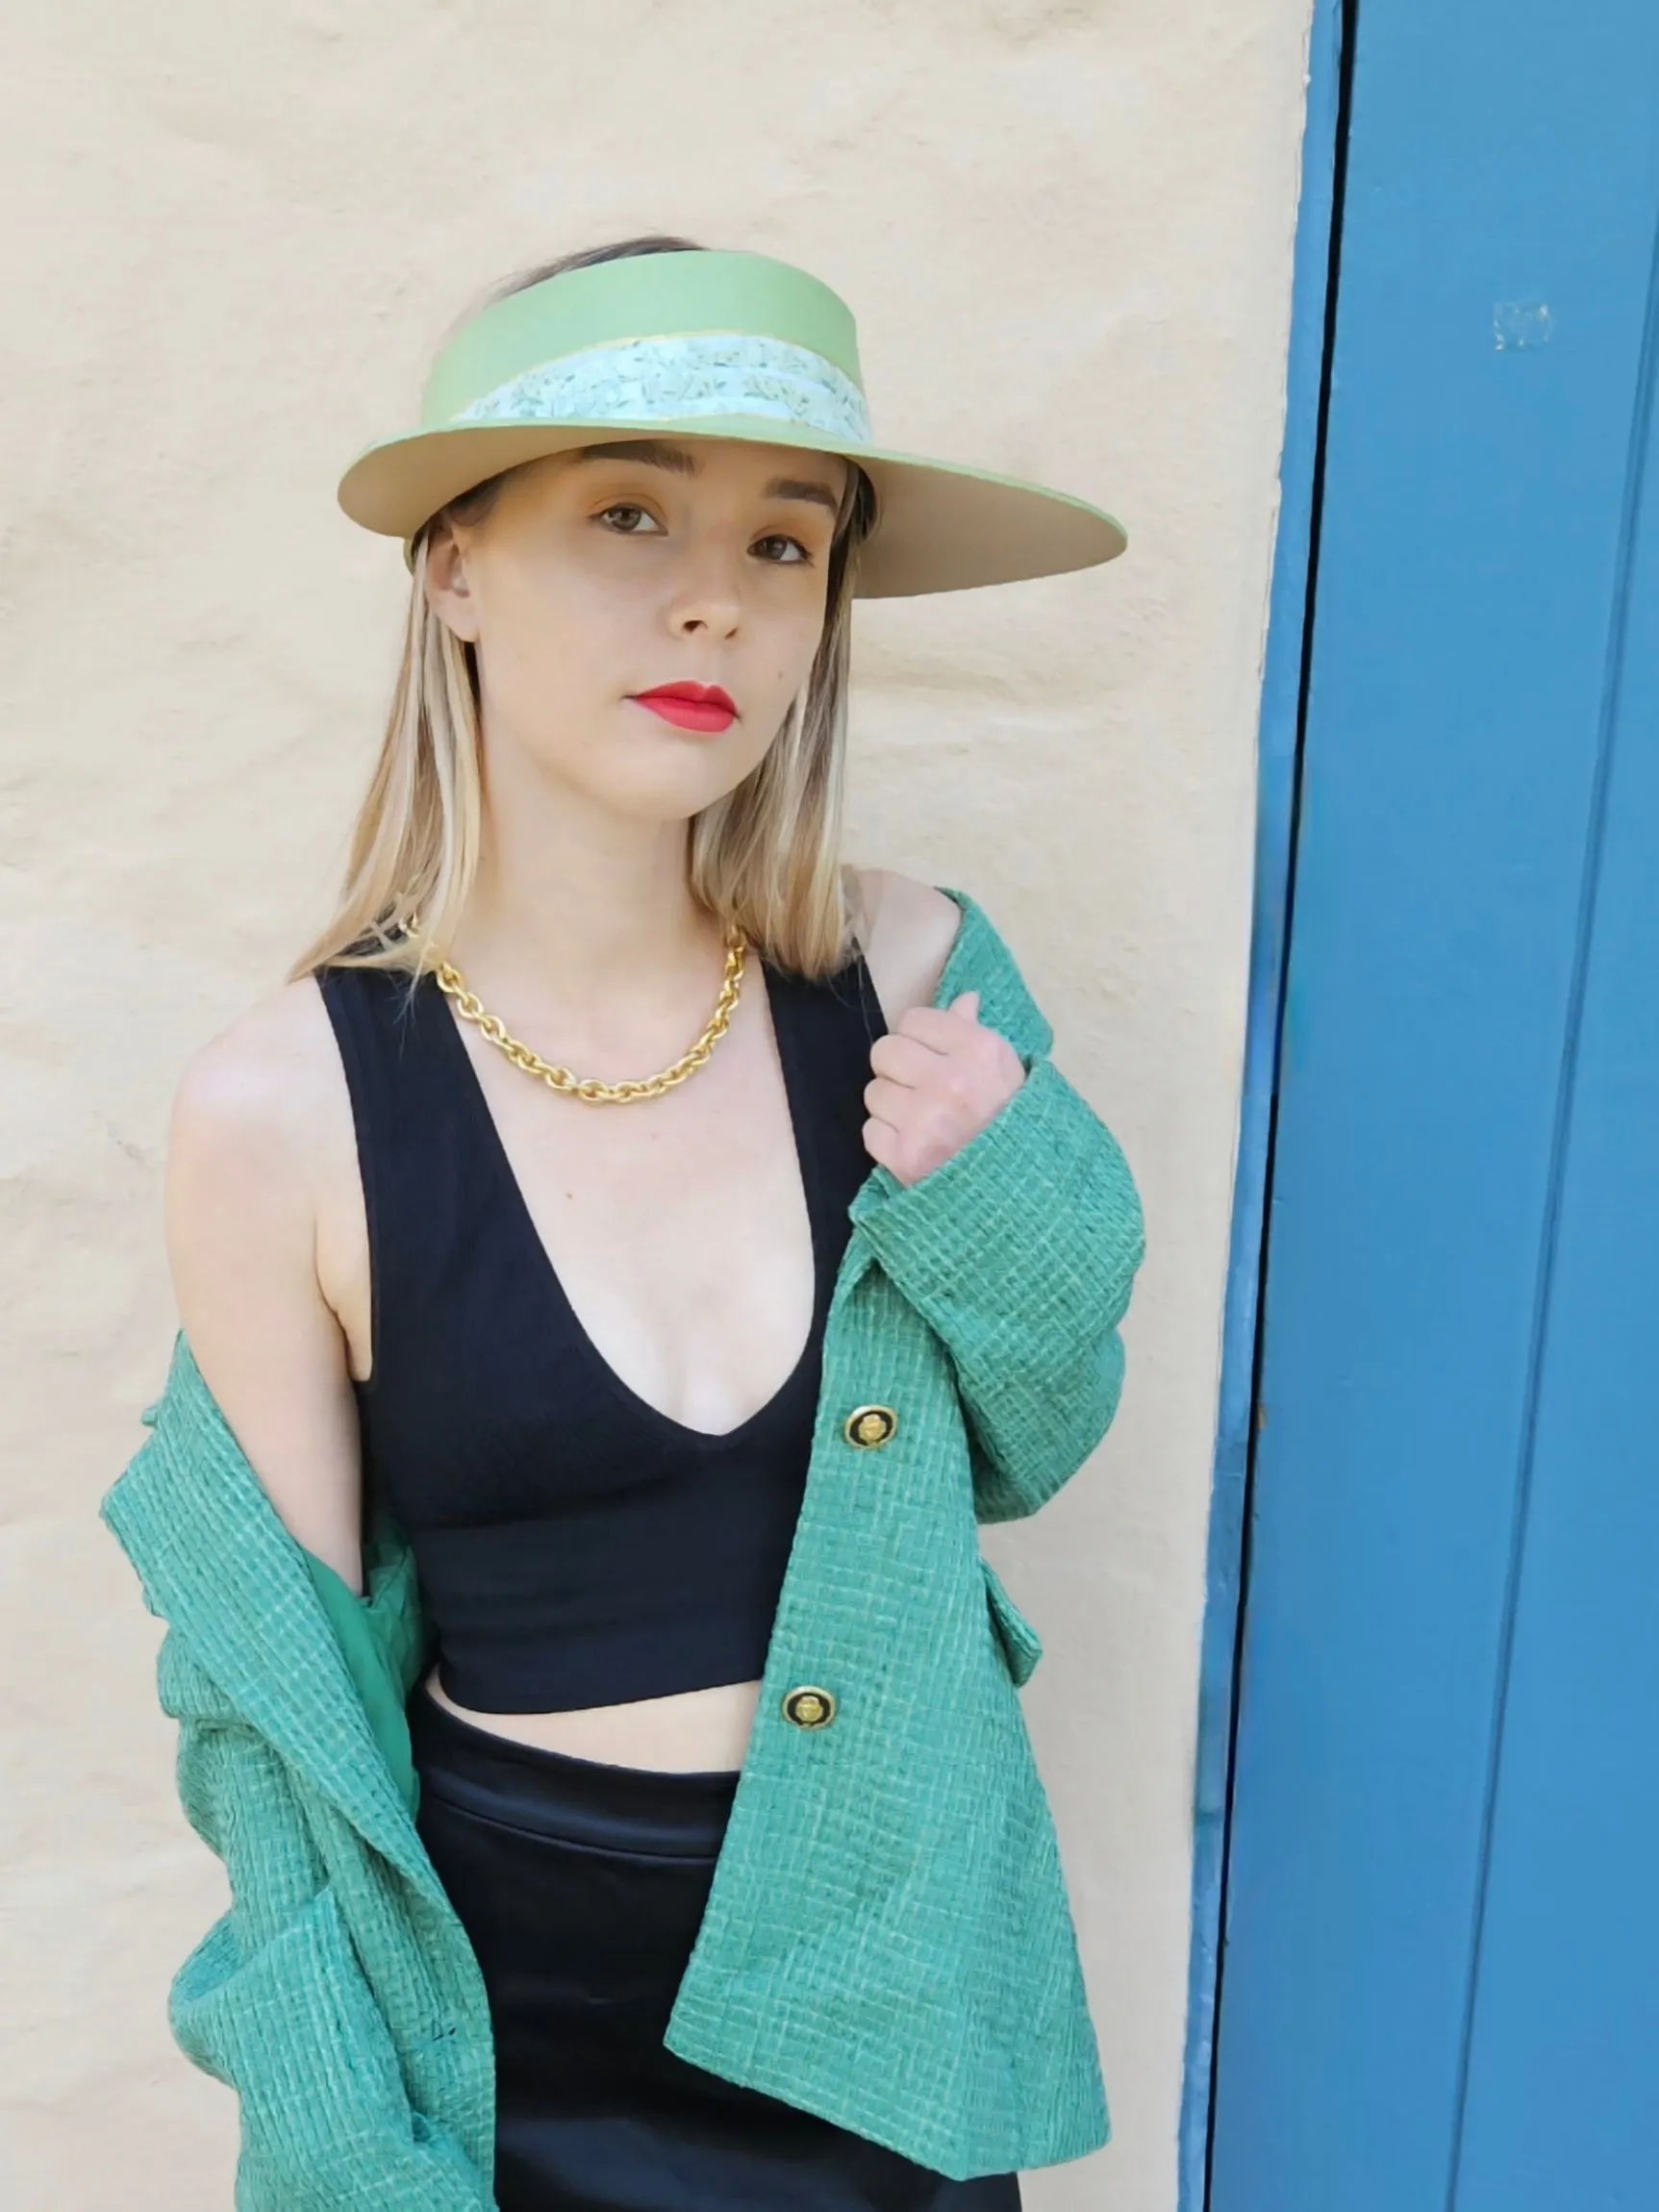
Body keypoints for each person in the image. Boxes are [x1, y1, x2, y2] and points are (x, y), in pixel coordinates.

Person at [100, 236, 1146, 2211]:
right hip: (510, 2034)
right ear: (456, 571)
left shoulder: (911, 978)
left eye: (783, 543)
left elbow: (1035, 1436)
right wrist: (346, 2144)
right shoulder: (280, 1108)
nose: (712, 600)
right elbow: (275, 1709)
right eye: (627, 511)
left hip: (890, 1988)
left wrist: (1003, 1197)